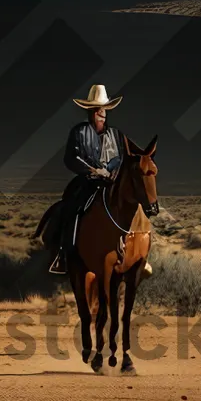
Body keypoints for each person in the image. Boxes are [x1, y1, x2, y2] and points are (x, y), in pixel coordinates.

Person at [48, 83, 135, 276]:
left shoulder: (115, 134)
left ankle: (134, 255)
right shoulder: (78, 132)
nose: (101, 113)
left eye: (104, 109)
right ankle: (64, 254)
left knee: (132, 206)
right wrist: (90, 170)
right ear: (91, 112)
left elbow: (119, 158)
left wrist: (108, 170)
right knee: (71, 208)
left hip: (110, 181)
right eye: (97, 109)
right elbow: (70, 158)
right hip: (86, 182)